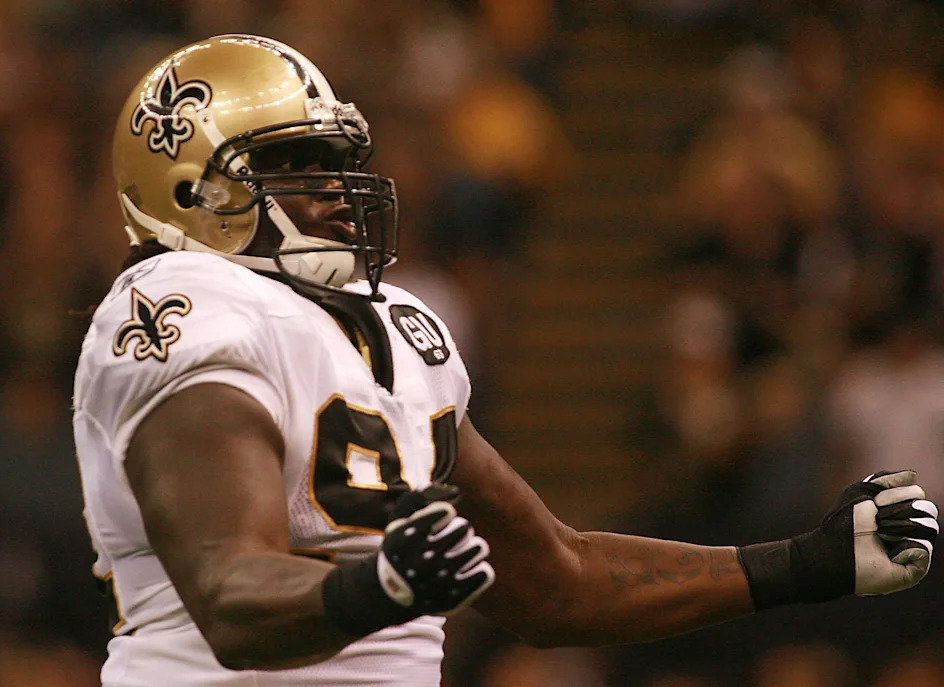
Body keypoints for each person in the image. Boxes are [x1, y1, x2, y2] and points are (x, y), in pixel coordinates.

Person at [72, 34, 939, 686]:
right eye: (292, 164)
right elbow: (229, 592)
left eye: (336, 161)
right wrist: (375, 587)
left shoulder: (394, 328)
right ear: (190, 192)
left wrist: (800, 564)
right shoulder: (178, 305)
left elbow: (552, 580)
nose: (336, 188)